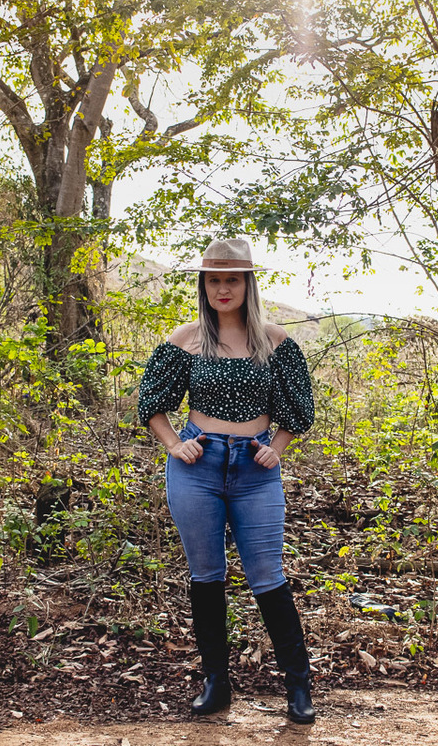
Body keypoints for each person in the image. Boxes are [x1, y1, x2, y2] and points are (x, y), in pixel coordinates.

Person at [137, 237, 316, 724]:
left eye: (231, 279)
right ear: (204, 284)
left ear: (247, 283)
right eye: (213, 279)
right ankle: (216, 684)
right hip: (197, 467)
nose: (222, 288)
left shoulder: (275, 341)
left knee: (268, 577)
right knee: (206, 576)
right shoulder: (186, 340)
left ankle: (299, 688)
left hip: (254, 471)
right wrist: (174, 444)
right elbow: (150, 401)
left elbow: (298, 409)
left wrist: (275, 450)